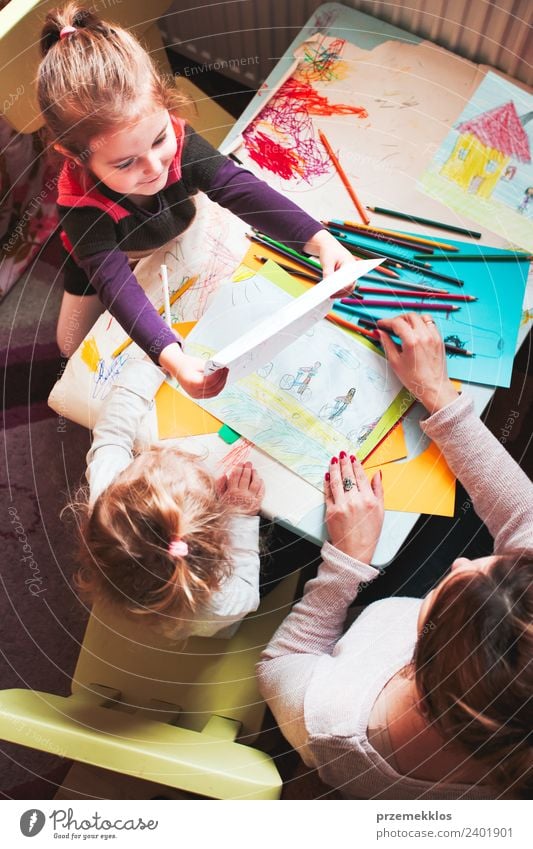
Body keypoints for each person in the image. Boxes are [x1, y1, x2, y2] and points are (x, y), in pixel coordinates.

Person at [257, 312, 533, 799]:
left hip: (354, 624)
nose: (463, 563)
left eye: (452, 590)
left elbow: (282, 661)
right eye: (493, 563)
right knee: (460, 508)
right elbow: (523, 519)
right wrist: (438, 394)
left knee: (286, 531)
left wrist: (344, 565)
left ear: (421, 662)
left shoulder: (337, 721)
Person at [37, 4, 353, 399]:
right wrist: (172, 357)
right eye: (125, 162)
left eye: (158, 139)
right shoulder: (80, 209)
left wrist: (319, 240)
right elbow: (116, 286)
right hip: (100, 259)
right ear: (75, 156)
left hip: (174, 228)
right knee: (70, 348)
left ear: (166, 106)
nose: (154, 168)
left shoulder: (180, 141)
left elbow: (240, 189)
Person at [73, 357, 265, 638]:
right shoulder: (225, 601)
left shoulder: (110, 508)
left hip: (142, 599)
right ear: (219, 539)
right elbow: (248, 589)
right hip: (208, 624)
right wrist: (240, 514)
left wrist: (152, 362)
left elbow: (112, 437)